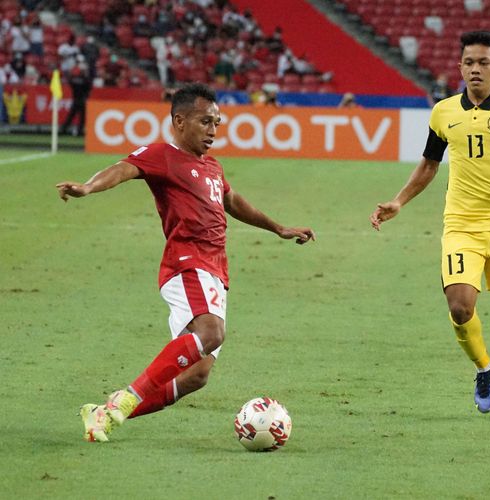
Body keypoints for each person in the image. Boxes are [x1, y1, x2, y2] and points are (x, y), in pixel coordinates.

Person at [56, 83, 315, 442]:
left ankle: (105, 413)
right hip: (187, 263)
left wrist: (278, 228)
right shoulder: (162, 155)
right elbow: (122, 169)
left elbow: (233, 200)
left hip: (216, 271)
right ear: (179, 121)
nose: (213, 131)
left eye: (217, 124)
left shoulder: (212, 167)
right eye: (205, 122)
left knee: (197, 376)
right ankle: (125, 399)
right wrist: (87, 187)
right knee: (211, 333)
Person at [369, 31, 490, 420]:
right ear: (460, 67)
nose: (476, 69)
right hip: (461, 224)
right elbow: (429, 164)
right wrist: (399, 201)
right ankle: (483, 369)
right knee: (461, 306)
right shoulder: (444, 112)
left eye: (484, 62)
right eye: (469, 63)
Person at [61, 63, 92, 136]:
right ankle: (79, 131)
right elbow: (89, 89)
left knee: (71, 116)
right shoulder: (86, 80)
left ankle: (63, 129)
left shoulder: (74, 79)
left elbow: (70, 83)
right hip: (83, 100)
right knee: (82, 118)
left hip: (75, 99)